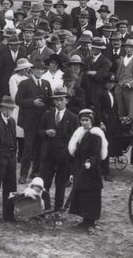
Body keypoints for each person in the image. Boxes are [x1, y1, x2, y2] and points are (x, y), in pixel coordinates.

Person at [39, 89, 79, 218]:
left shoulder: (73, 117)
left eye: (62, 99)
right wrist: (46, 132)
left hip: (64, 156)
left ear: (67, 100)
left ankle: (57, 211)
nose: (59, 102)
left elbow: (75, 138)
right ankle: (45, 209)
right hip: (48, 154)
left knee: (60, 185)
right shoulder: (47, 114)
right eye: (56, 99)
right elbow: (38, 132)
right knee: (45, 183)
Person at [67, 108, 108, 234]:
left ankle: (91, 222)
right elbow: (75, 155)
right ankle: (84, 221)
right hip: (80, 168)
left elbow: (97, 153)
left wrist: (91, 162)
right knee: (81, 196)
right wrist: (73, 172)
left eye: (87, 120)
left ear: (91, 121)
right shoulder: (78, 134)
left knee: (91, 196)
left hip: (91, 170)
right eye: (82, 120)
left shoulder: (96, 135)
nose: (84, 122)